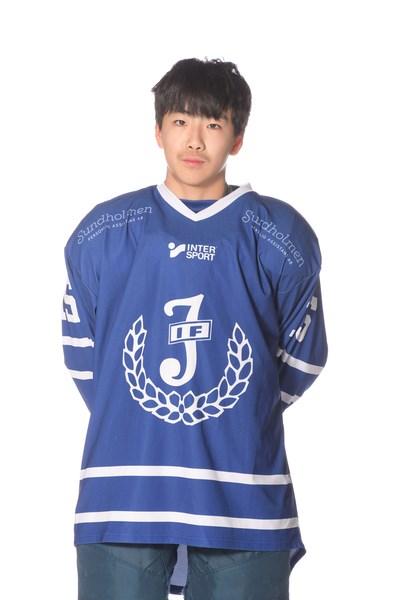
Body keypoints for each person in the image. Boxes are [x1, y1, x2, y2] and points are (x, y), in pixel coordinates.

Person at [62, 58, 328, 600]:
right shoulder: (102, 232)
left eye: (213, 123)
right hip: (123, 494)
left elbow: (301, 360)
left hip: (244, 496)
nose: (195, 139)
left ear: (238, 138)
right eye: (181, 121)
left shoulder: (280, 235)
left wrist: (236, 414)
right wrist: (141, 415)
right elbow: (87, 357)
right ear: (158, 130)